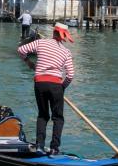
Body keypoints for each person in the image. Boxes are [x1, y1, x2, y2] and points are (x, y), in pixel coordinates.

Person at [17, 22, 75, 155]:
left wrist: (28, 62)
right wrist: (62, 88)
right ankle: (54, 148)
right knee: (58, 118)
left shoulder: (41, 43)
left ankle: (39, 146)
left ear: (53, 32)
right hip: (56, 85)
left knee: (43, 115)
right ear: (63, 36)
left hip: (40, 83)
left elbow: (21, 50)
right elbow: (70, 75)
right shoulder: (66, 52)